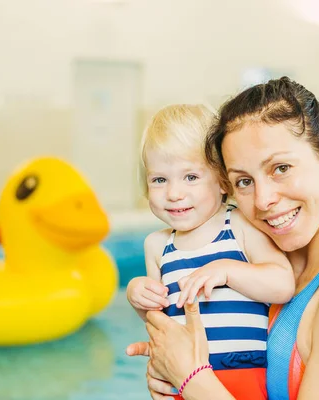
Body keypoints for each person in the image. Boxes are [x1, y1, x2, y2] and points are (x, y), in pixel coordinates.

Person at [126, 77, 319, 400]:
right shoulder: (285, 249)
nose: (262, 200)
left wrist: (190, 377)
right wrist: (166, 368)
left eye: (281, 168)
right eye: (244, 181)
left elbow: (195, 374)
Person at [126, 104, 295, 400]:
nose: (174, 193)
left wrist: (227, 270)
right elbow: (161, 318)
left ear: (221, 181)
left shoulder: (240, 226)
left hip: (244, 374)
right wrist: (137, 294)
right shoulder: (157, 245)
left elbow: (283, 285)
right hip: (180, 381)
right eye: (159, 180)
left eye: (190, 177)